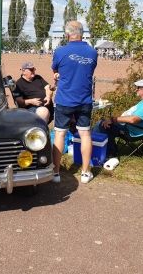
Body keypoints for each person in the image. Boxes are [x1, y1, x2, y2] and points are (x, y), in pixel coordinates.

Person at [51, 20, 98, 184]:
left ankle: (55, 172)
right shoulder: (92, 52)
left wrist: (58, 74)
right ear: (82, 33)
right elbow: (88, 71)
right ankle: (85, 173)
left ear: (67, 34)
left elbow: (56, 69)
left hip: (64, 99)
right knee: (85, 134)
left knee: (59, 134)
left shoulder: (60, 51)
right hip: (84, 99)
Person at [93, 78, 143, 159]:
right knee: (103, 123)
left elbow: (133, 119)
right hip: (128, 127)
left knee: (101, 125)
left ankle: (104, 153)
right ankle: (106, 151)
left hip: (132, 132)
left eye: (139, 88)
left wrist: (113, 119)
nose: (136, 90)